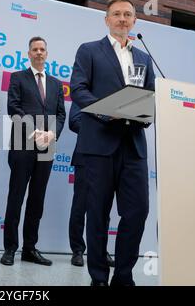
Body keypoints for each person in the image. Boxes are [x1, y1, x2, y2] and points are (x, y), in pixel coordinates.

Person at [70, 0, 155, 286]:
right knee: (97, 214)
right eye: (116, 14)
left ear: (134, 21)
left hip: (133, 146)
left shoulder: (143, 58)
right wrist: (107, 113)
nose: (122, 18)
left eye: (127, 15)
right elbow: (79, 90)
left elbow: (150, 97)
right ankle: (98, 278)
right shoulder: (89, 51)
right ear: (106, 20)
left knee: (138, 211)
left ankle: (123, 276)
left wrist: (146, 114)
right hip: (98, 145)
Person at [0, 37, 66, 266]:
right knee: (16, 197)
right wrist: (36, 130)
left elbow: (60, 115)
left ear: (47, 54)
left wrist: (52, 134)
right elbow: (13, 108)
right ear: (28, 53)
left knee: (37, 199)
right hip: (23, 144)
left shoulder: (57, 84)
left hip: (47, 147)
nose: (39, 53)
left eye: (42, 49)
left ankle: (30, 248)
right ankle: (10, 248)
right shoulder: (18, 78)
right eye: (35, 49)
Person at [68, 102, 115, 268]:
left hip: (109, 157)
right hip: (85, 157)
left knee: (103, 209)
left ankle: (101, 251)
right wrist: (103, 126)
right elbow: (74, 121)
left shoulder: (115, 99)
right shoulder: (83, 97)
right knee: (80, 206)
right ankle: (78, 250)